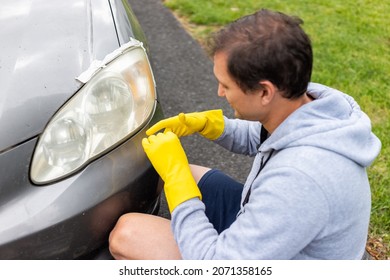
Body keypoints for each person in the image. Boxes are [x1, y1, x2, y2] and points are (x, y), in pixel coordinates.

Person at [108, 9, 381, 260]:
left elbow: (220, 265)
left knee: (127, 234)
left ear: (264, 92)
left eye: (226, 85)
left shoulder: (299, 179)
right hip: (280, 232)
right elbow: (263, 135)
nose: (219, 93)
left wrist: (179, 185)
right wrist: (209, 125)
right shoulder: (313, 105)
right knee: (166, 171)